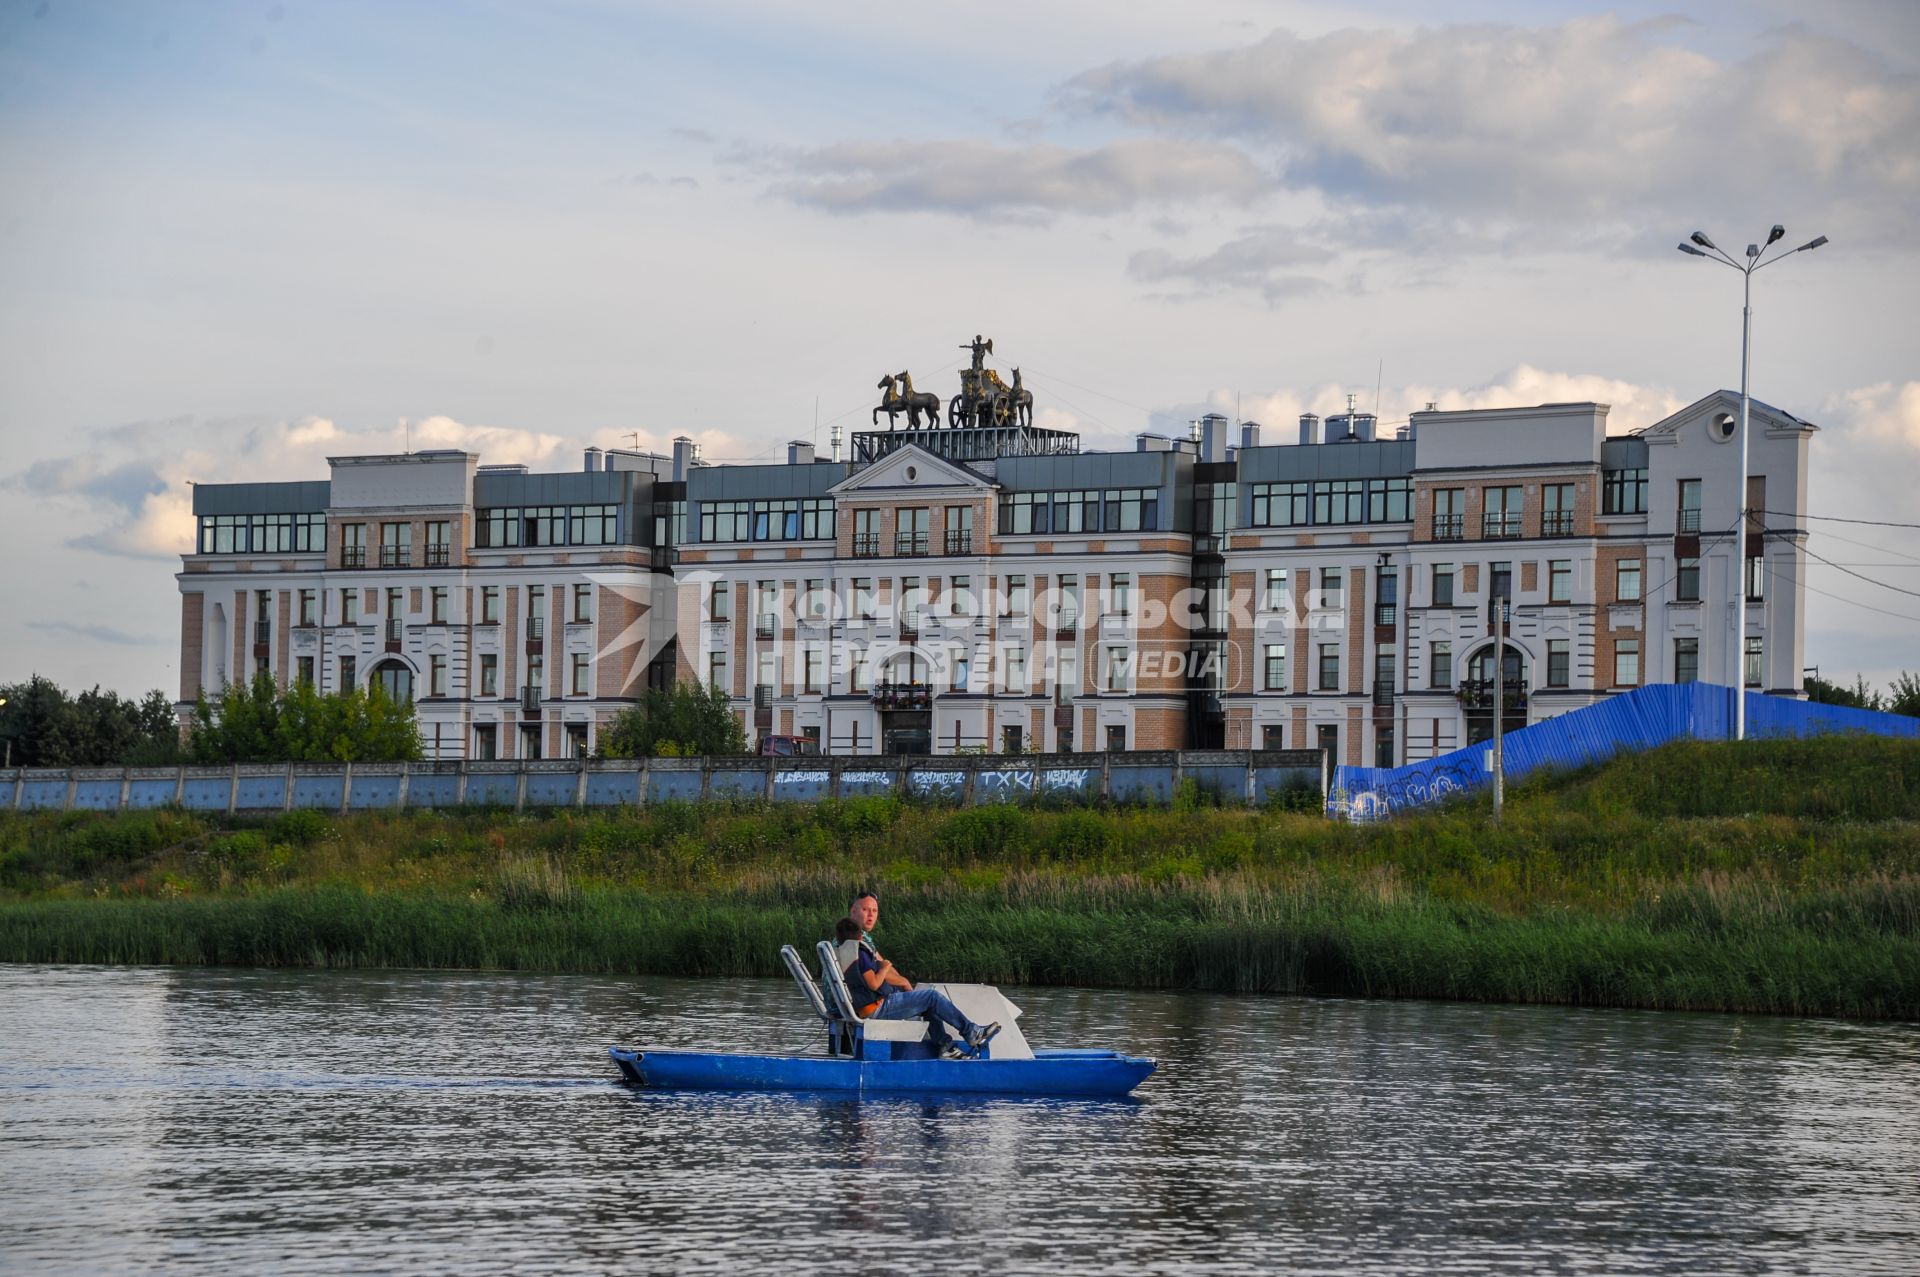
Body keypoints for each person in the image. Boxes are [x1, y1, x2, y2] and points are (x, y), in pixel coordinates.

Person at [836, 892, 999, 1058]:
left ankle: (945, 1046)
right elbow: (874, 983)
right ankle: (972, 1032)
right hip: (876, 1007)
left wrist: (900, 981)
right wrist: (886, 970)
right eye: (865, 909)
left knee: (925, 1001)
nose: (871, 914)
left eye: (874, 910)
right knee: (931, 997)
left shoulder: (847, 946)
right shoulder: (858, 950)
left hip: (870, 1004)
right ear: (854, 913)